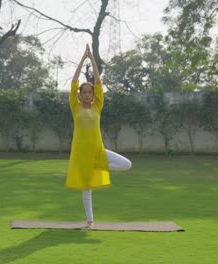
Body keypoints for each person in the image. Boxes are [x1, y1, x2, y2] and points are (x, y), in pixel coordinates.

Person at [67, 44, 131, 228]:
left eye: (90, 92)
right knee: (87, 190)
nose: (87, 94)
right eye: (84, 92)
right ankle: (90, 221)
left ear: (93, 95)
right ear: (79, 95)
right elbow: (73, 82)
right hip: (81, 153)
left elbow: (98, 81)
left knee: (126, 165)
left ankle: (99, 166)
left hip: (97, 151)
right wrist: (82, 59)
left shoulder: (97, 106)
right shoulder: (75, 107)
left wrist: (92, 58)